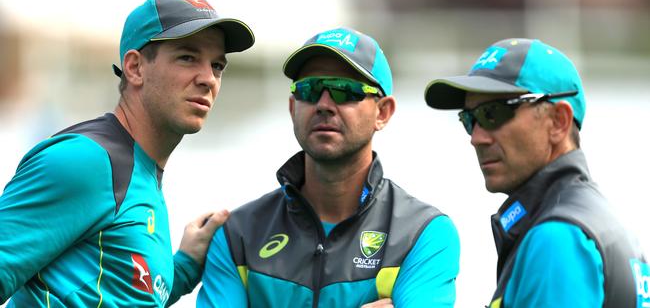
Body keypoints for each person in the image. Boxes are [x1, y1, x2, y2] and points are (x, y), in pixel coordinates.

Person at [0, 0, 255, 307]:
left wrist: (186, 266)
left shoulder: (143, 173)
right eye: (188, 57)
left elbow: (122, 291)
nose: (208, 79)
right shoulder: (88, 161)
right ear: (135, 68)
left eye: (217, 65)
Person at [197, 27, 460, 308]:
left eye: (344, 91)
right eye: (309, 90)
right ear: (292, 108)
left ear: (382, 113)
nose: (323, 104)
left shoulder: (422, 234)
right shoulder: (236, 235)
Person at [424, 38, 649, 307]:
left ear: (558, 122)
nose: (476, 138)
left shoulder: (557, 237)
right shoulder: (599, 221)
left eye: (492, 114)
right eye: (469, 120)